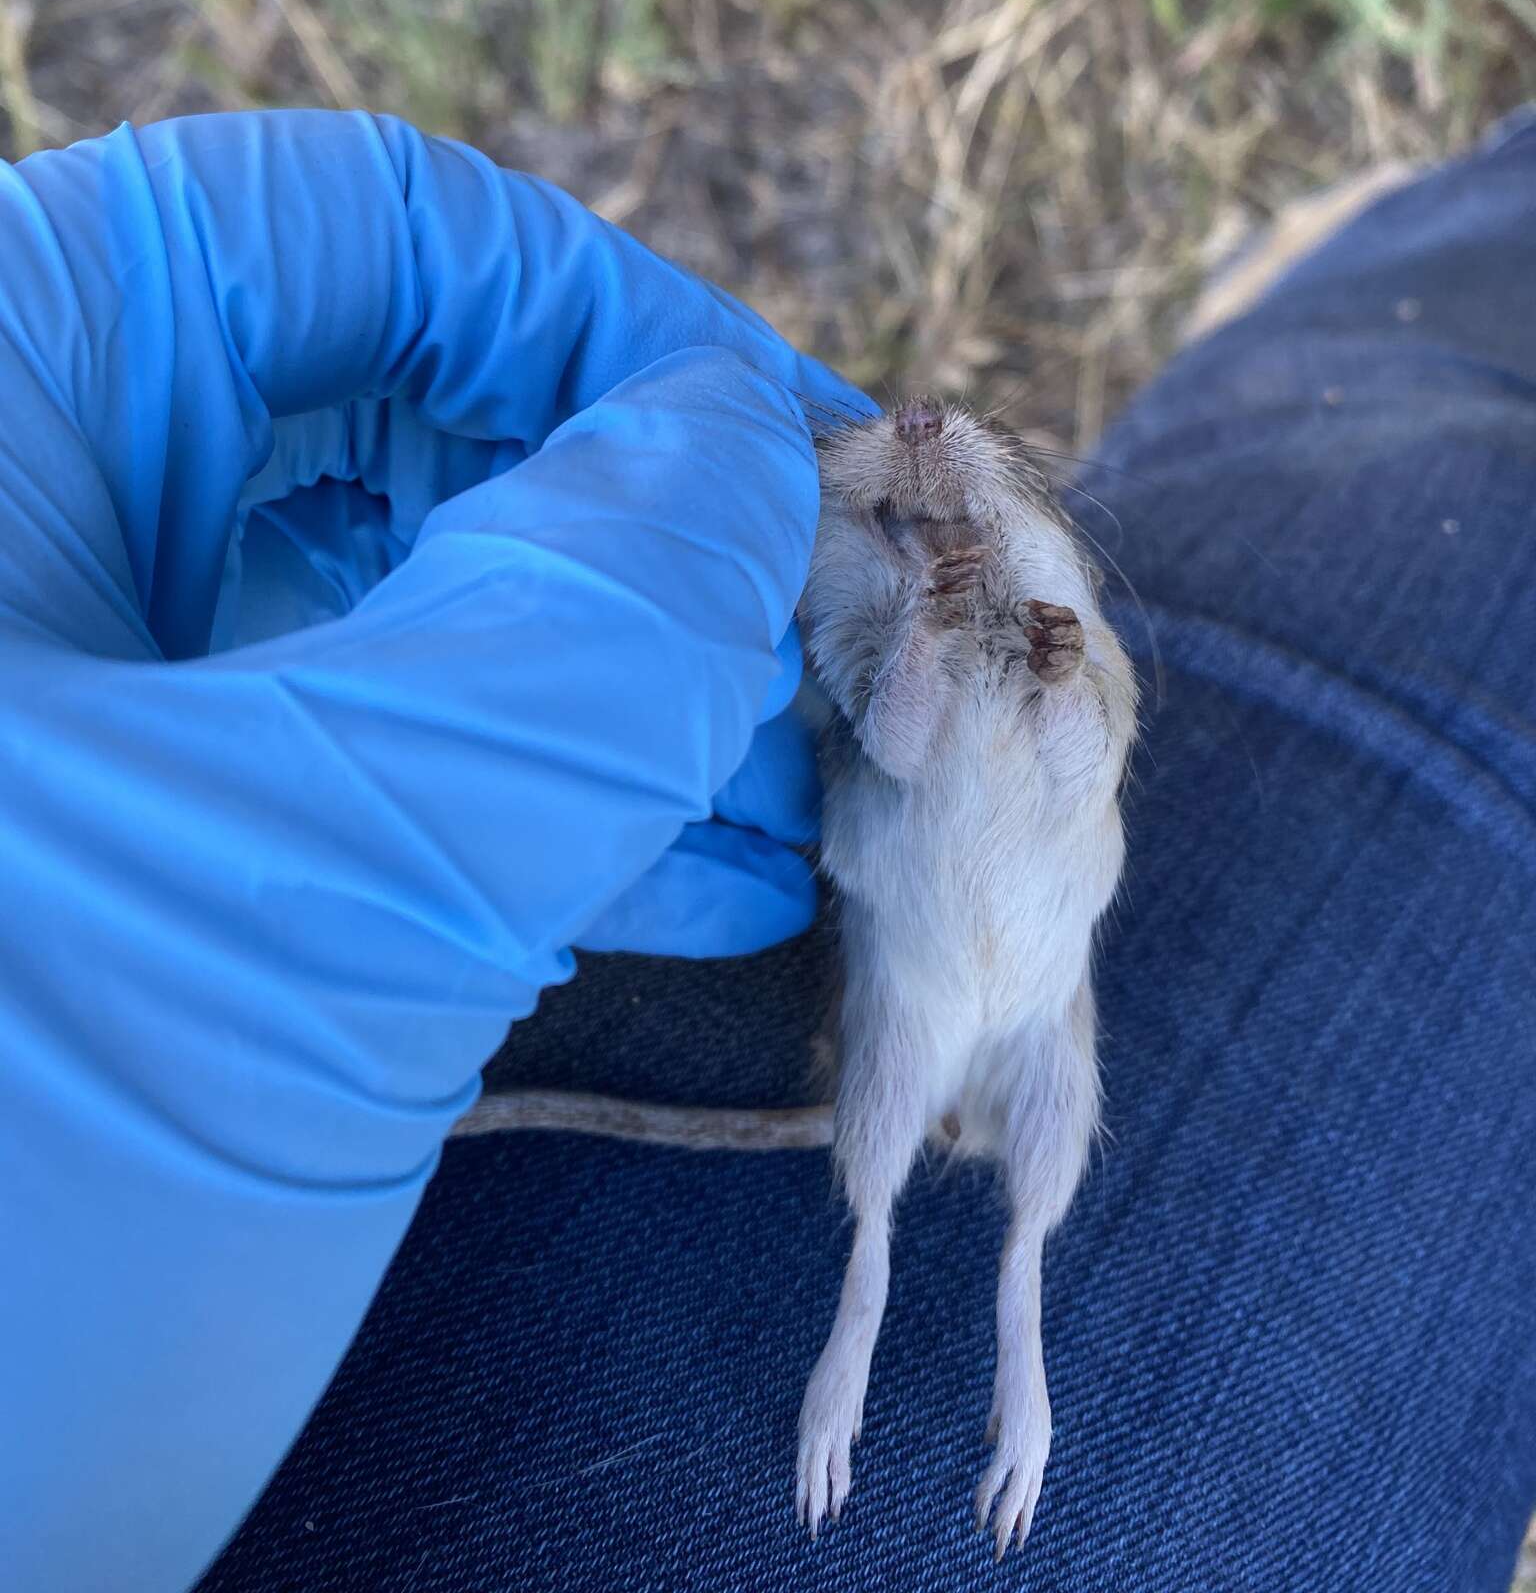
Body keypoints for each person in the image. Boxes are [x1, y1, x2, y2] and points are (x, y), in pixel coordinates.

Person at [2, 110, 1533, 1593]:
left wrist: (1040, 669)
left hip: (955, 982)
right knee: (1411, 545)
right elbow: (910, 738)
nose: (926, 460)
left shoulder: (1055, 644)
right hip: (912, 973)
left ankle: (1397, 312)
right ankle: (1410, 305)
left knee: (1051, 1187)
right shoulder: (862, 644)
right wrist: (937, 641)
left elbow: (1061, 762)